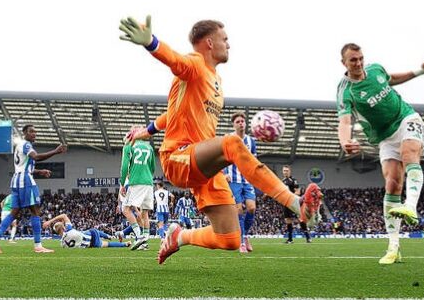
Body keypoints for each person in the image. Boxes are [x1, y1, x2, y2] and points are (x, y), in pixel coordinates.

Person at [120, 14, 323, 265]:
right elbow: (175, 60)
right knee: (232, 143)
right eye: (224, 39)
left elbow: (173, 111)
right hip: (178, 157)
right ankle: (296, 203)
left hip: (201, 163)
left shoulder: (216, 80)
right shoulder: (195, 63)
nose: (229, 44)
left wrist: (147, 130)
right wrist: (151, 42)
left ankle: (179, 236)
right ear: (208, 43)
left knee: (228, 238)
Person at [336, 42, 424, 265]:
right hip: (384, 137)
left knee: (409, 154)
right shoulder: (346, 91)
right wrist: (345, 140)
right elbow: (344, 121)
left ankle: (410, 206)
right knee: (391, 184)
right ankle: (393, 247)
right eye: (353, 60)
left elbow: (392, 78)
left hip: (407, 118)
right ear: (344, 63)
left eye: (360, 58)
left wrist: (420, 70)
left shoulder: (376, 69)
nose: (359, 63)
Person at [0, 124, 66, 254]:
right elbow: (36, 157)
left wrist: (40, 171)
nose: (34, 134)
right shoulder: (26, 145)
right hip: (25, 180)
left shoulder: (20, 146)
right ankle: (38, 245)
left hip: (17, 179)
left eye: (35, 132)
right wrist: (56, 151)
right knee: (35, 211)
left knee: (14, 212)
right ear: (24, 133)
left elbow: (24, 167)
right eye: (31, 132)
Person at [223, 112, 258, 253]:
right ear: (234, 124)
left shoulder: (251, 141)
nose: (241, 123)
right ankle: (242, 240)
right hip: (233, 179)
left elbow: (253, 161)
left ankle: (245, 235)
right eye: (238, 121)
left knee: (251, 208)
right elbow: (222, 158)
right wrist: (224, 174)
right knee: (239, 210)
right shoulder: (228, 138)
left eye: (242, 121)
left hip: (247, 180)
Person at [120, 135, 155, 250]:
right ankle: (144, 242)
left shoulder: (129, 145)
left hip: (136, 182)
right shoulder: (149, 147)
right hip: (149, 182)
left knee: (125, 209)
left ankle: (139, 237)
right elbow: (152, 167)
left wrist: (122, 183)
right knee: (145, 213)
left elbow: (124, 166)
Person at [43, 213, 130, 249]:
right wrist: (50, 221)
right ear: (63, 227)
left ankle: (125, 244)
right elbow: (64, 216)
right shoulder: (69, 229)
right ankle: (110, 236)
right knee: (93, 230)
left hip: (90, 244)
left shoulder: (62, 244)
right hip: (92, 235)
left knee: (107, 244)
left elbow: (62, 229)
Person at [281, 166, 310, 244]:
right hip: (286, 203)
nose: (285, 172)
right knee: (288, 220)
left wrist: (291, 197)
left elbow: (297, 192)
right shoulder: (282, 181)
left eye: (287, 171)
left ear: (290, 171)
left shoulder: (293, 180)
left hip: (293, 202)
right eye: (284, 171)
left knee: (300, 219)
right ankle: (290, 239)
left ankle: (308, 237)